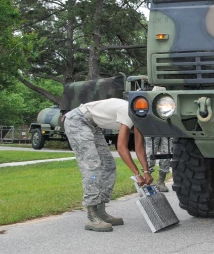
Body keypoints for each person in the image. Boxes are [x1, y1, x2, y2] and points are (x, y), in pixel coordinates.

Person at [64, 98, 151, 232]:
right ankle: (92, 216)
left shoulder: (142, 119)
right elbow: (121, 148)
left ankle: (101, 211)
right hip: (77, 121)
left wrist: (146, 172)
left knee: (108, 165)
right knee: (92, 167)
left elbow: (139, 148)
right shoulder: (130, 113)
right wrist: (137, 174)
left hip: (92, 125)